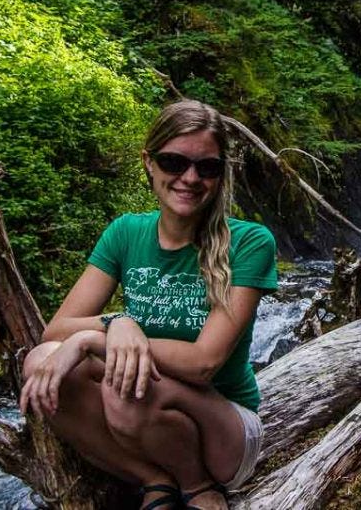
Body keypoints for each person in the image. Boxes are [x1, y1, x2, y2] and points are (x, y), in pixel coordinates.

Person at [19, 100, 278, 510]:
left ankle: (198, 486)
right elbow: (57, 329)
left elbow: (203, 362)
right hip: (144, 410)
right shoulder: (125, 232)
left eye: (206, 167)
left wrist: (93, 339)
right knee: (40, 360)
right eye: (174, 162)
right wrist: (119, 322)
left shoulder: (250, 242)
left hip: (225, 431)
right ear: (149, 163)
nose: (189, 178)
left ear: (220, 173)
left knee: (126, 390)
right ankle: (155, 479)